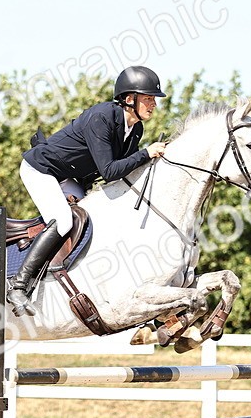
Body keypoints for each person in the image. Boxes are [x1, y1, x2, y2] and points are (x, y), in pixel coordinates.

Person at [10, 65, 169, 316]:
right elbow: (109, 171)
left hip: (70, 176)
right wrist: (146, 153)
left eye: (153, 100)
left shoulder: (135, 128)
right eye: (148, 98)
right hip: (40, 169)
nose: (153, 105)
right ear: (130, 99)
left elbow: (125, 172)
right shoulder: (102, 117)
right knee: (63, 221)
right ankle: (18, 285)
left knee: (96, 222)